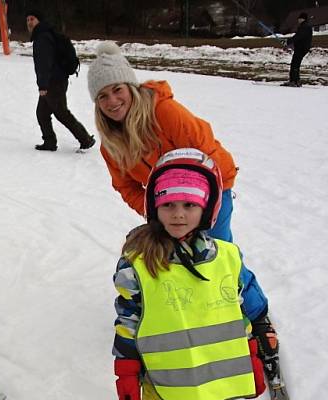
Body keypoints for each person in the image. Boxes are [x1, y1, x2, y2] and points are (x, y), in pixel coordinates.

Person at [103, 148, 271, 400]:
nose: (179, 214)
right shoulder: (140, 261)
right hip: (166, 378)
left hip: (211, 371)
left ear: (208, 207)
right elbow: (128, 318)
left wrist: (259, 330)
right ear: (154, 206)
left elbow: (241, 296)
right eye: (169, 204)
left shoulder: (227, 255)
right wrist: (126, 370)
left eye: (189, 205)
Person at [87, 41, 277, 374]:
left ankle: (257, 315)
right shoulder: (111, 143)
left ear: (129, 87)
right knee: (177, 259)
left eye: (117, 90)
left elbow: (208, 157)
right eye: (102, 96)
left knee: (221, 257)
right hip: (169, 208)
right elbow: (126, 186)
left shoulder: (164, 112)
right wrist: (156, 214)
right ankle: (199, 313)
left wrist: (200, 212)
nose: (112, 101)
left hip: (212, 193)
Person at [25, 9, 94, 152]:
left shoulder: (42, 37)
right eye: (28, 20)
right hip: (55, 80)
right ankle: (49, 142)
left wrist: (43, 85)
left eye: (32, 19)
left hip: (53, 82)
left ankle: (85, 139)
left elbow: (44, 62)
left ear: (39, 21)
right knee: (42, 113)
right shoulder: (44, 34)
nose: (30, 22)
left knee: (61, 113)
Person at [286, 12, 313, 87]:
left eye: (299, 19)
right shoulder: (305, 26)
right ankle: (296, 81)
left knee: (294, 64)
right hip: (302, 48)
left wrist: (289, 41)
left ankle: (293, 81)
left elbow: (298, 36)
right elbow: (298, 36)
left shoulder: (304, 27)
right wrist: (289, 41)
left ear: (302, 19)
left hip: (301, 48)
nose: (298, 20)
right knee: (296, 64)